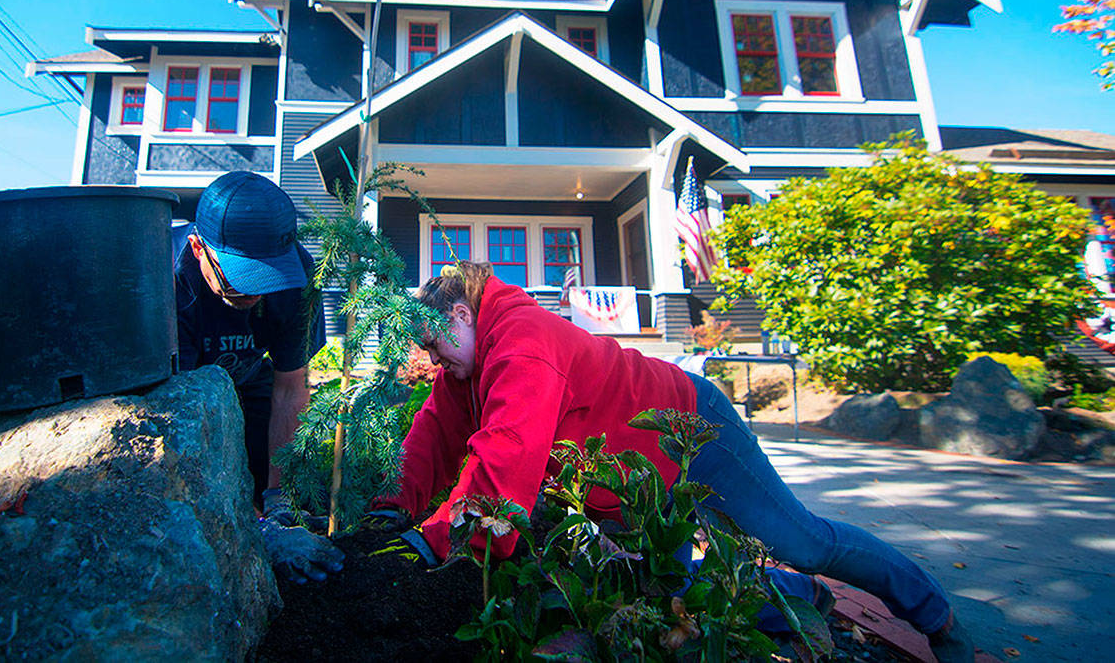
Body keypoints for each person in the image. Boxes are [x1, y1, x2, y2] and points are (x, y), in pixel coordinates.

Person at [373, 262, 976, 662]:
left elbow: (505, 453)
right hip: (634, 476)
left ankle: (933, 612)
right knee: (670, 582)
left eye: (433, 344)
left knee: (804, 540)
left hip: (694, 432)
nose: (430, 360)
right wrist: (393, 506)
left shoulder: (524, 341)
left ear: (459, 316)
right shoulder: (467, 365)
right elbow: (435, 431)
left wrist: (437, 540)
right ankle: (799, 598)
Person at [175, 170, 342, 583]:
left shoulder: (298, 277)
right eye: (239, 281)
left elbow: (290, 388)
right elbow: (179, 421)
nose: (255, 294)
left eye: (264, 279)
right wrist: (249, 528)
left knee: (270, 479)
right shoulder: (165, 281)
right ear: (199, 248)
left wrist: (277, 499)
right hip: (181, 393)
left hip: (251, 375)